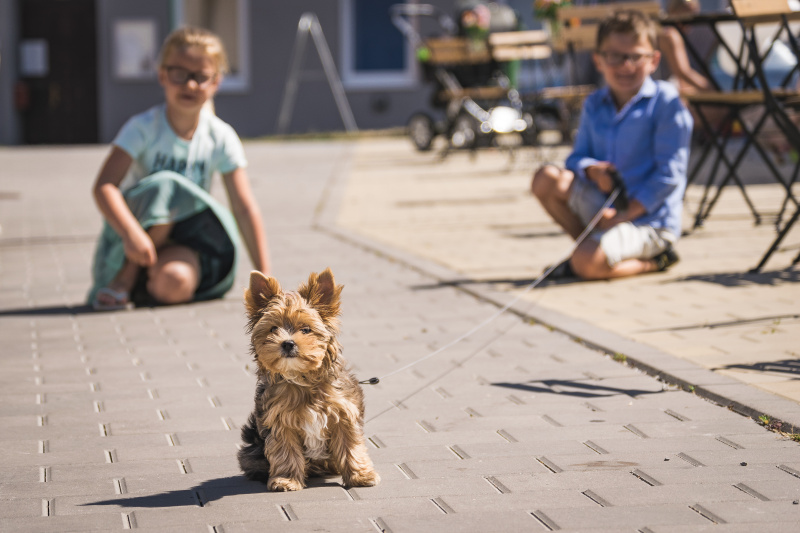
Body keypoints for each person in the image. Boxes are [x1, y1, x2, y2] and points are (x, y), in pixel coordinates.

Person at [89, 26, 270, 310]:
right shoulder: (143, 128)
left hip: (181, 241)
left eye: (201, 77)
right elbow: (104, 186)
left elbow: (244, 208)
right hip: (130, 241)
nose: (190, 85)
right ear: (162, 75)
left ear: (216, 82)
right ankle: (124, 279)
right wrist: (131, 234)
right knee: (167, 186)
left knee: (175, 284)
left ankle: (143, 287)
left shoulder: (220, 136)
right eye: (179, 74)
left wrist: (266, 280)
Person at [530, 9, 692, 281]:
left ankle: (654, 260)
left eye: (635, 56)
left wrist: (626, 215)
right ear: (598, 60)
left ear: (653, 60)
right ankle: (590, 250)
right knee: (546, 179)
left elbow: (669, 177)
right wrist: (593, 170)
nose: (625, 65)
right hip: (607, 207)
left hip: (649, 220)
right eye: (614, 56)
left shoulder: (667, 103)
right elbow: (576, 158)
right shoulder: (595, 103)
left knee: (585, 264)